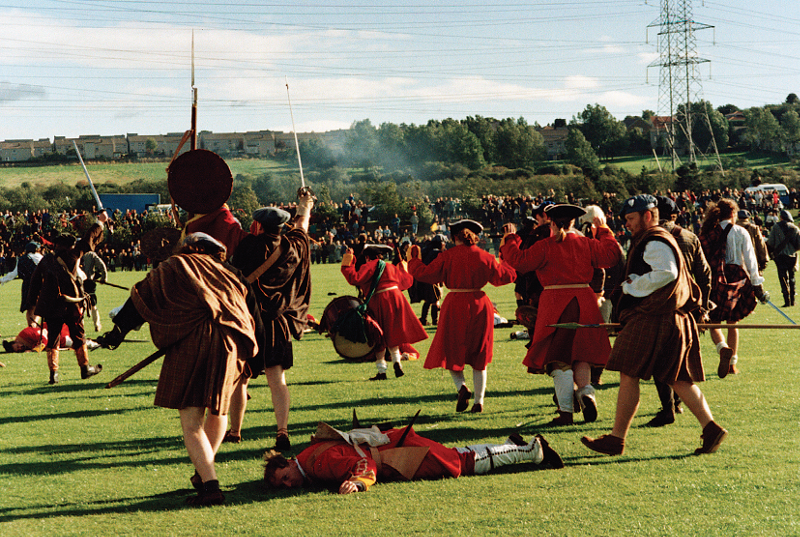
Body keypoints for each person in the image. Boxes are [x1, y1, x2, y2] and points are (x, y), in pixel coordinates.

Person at [97, 233, 263, 506]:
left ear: (191, 248)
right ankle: (202, 472)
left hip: (196, 341)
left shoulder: (176, 265)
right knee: (217, 410)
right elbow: (252, 314)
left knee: (191, 418)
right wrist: (254, 360)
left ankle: (210, 486)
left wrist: (117, 333)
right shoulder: (229, 273)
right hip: (233, 344)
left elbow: (143, 295)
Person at [581, 195, 728, 456]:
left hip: (654, 316)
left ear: (647, 215)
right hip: (670, 318)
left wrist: (632, 286)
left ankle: (616, 439)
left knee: (628, 371)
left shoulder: (654, 240)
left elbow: (667, 274)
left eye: (631, 219)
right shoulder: (658, 238)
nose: (627, 224)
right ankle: (711, 428)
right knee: (677, 378)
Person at [500, 204, 621, 425]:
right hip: (585, 301)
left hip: (555, 303)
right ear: (574, 223)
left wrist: (510, 239)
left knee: (557, 360)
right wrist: (603, 230)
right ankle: (586, 393)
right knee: (581, 356)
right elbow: (612, 255)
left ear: (552, 223)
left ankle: (565, 412)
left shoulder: (545, 246)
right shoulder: (586, 243)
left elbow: (519, 261)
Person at [227, 192, 314, 451]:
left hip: (249, 322)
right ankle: (282, 430)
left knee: (240, 379)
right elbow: (302, 227)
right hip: (277, 325)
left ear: (259, 225)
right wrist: (305, 205)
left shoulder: (249, 246)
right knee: (277, 380)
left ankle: (235, 431)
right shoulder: (293, 246)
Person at [264, 422, 563, 494]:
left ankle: (530, 451)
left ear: (290, 463)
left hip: (399, 456)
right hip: (396, 445)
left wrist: (357, 482)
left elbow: (363, 466)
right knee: (459, 455)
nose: (289, 485)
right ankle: (510, 444)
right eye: (283, 484)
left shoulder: (317, 464)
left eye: (285, 478)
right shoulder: (306, 456)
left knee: (462, 464)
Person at [407, 219, 516, 413]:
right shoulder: (485, 256)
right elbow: (505, 276)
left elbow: (425, 274)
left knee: (451, 350)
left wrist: (413, 260)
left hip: (455, 303)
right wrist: (506, 254)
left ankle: (462, 387)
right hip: (479, 304)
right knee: (479, 354)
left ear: (453, 236)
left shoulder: (447, 256)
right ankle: (479, 402)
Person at [644, 196, 713, 428]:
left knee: (659, 359)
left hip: (659, 306)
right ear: (675, 215)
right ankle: (678, 403)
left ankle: (668, 408)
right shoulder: (689, 237)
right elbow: (704, 274)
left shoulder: (650, 238)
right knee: (680, 358)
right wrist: (702, 304)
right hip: (687, 305)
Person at [27, 217, 106, 385]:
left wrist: (31, 306)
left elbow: (34, 283)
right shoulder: (72, 255)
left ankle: (53, 375)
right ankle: (85, 369)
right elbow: (87, 241)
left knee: (54, 338)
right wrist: (100, 223)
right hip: (71, 305)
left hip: (51, 307)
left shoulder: (46, 260)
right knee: (79, 336)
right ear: (69, 246)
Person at [699, 199, 769, 378]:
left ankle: (722, 348)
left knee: (711, 321)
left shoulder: (708, 233)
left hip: (715, 279)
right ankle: (732, 366)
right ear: (733, 214)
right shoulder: (740, 231)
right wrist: (757, 284)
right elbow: (750, 261)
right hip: (737, 279)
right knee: (733, 322)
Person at [342, 243, 427, 380]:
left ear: (368, 257)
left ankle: (382, 371)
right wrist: (402, 265)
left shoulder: (367, 266)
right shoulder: (391, 266)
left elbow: (354, 278)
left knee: (378, 336)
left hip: (380, 300)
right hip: (397, 298)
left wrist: (348, 259)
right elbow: (406, 282)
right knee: (393, 334)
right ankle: (397, 362)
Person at [0, 241, 43, 326]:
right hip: (40, 285)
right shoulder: (41, 257)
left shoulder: (22, 259)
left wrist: (2, 280)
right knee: (38, 307)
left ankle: (30, 328)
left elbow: (13, 274)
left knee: (29, 308)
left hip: (27, 286)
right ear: (37, 249)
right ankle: (33, 326)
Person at [766, 210, 800, 307]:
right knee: (792, 277)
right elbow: (799, 245)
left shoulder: (776, 227)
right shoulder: (795, 228)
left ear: (781, 217)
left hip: (780, 256)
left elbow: (771, 242)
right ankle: (793, 300)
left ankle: (787, 300)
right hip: (792, 256)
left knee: (783, 278)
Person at [81, 249, 108, 332]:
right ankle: (96, 324)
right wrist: (104, 277)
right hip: (89, 282)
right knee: (93, 305)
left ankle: (81, 326)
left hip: (79, 282)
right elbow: (101, 265)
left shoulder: (75, 253)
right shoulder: (91, 255)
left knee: (80, 305)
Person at [736, 210, 768, 276]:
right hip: (752, 259)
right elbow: (760, 244)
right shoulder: (753, 228)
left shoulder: (733, 227)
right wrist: (764, 260)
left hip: (737, 261)